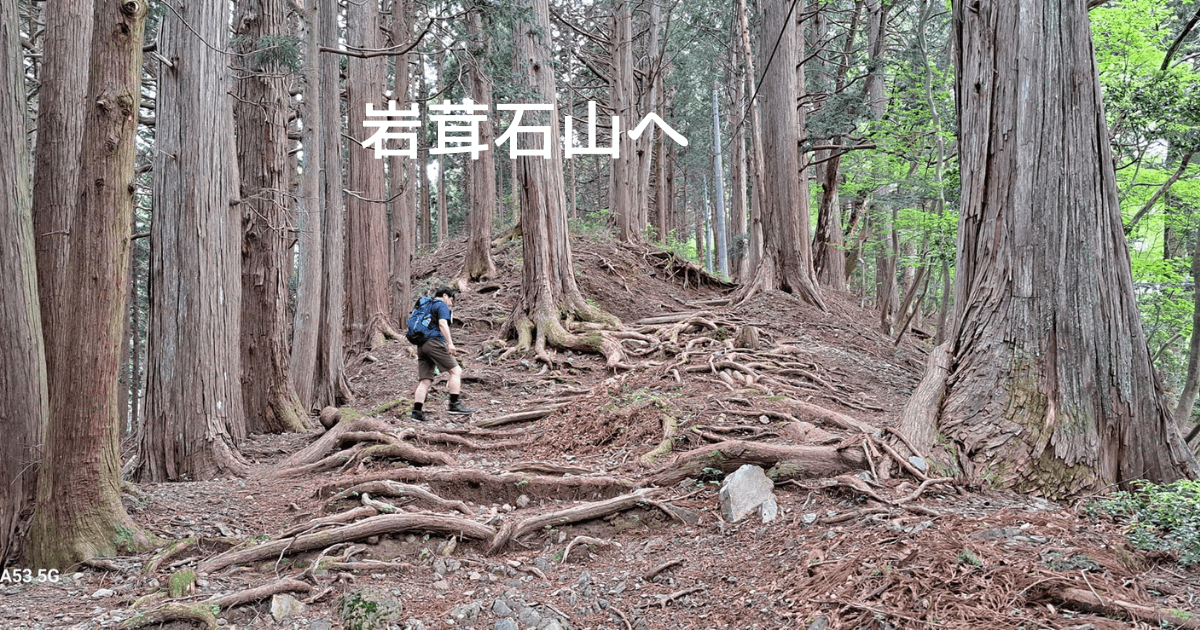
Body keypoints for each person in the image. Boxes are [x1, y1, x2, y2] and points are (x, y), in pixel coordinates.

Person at [411, 286, 474, 421]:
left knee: (425, 380)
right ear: (445, 295)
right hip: (434, 343)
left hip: (421, 345)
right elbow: (442, 324)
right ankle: (454, 405)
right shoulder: (441, 305)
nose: (451, 303)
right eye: (451, 299)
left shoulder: (426, 305)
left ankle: (417, 412)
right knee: (456, 371)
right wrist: (450, 343)